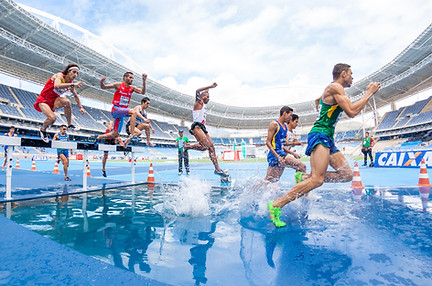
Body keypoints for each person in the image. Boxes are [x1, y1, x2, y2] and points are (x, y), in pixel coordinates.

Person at [268, 63, 381, 228]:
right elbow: (351, 112)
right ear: (343, 74)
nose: (352, 77)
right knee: (318, 180)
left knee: (346, 175)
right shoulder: (335, 87)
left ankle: (304, 177)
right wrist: (369, 93)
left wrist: (321, 106)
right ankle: (276, 205)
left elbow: (318, 101)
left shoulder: (331, 90)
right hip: (320, 135)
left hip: (327, 136)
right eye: (351, 74)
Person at [184, 83, 229, 177]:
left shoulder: (203, 104)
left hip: (203, 128)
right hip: (197, 127)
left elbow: (205, 92)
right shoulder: (199, 102)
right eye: (207, 97)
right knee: (205, 146)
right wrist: (210, 86)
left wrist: (209, 90)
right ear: (202, 97)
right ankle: (187, 147)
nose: (209, 98)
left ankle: (217, 169)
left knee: (211, 147)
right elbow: (197, 91)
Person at [34, 63, 86, 143]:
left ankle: (69, 124)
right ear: (68, 71)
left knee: (67, 102)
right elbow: (56, 85)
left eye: (77, 73)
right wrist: (73, 84)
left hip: (54, 101)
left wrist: (80, 107)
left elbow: (75, 96)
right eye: (74, 72)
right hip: (44, 99)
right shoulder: (60, 75)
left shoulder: (70, 84)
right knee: (52, 118)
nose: (75, 74)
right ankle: (43, 129)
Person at [95, 72, 147, 144]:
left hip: (122, 113)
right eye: (130, 77)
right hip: (116, 109)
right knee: (134, 112)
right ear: (125, 78)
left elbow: (142, 92)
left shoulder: (132, 88)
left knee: (115, 134)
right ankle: (132, 135)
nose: (132, 79)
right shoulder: (118, 85)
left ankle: (97, 137)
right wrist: (101, 82)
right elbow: (103, 87)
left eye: (132, 78)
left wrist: (144, 80)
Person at [264, 107, 306, 183]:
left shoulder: (284, 127)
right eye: (290, 115)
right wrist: (278, 156)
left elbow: (284, 143)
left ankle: (253, 190)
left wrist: (294, 146)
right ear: (284, 113)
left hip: (280, 153)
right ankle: (299, 190)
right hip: (276, 154)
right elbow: (268, 142)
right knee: (302, 166)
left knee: (271, 180)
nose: (290, 118)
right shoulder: (274, 124)